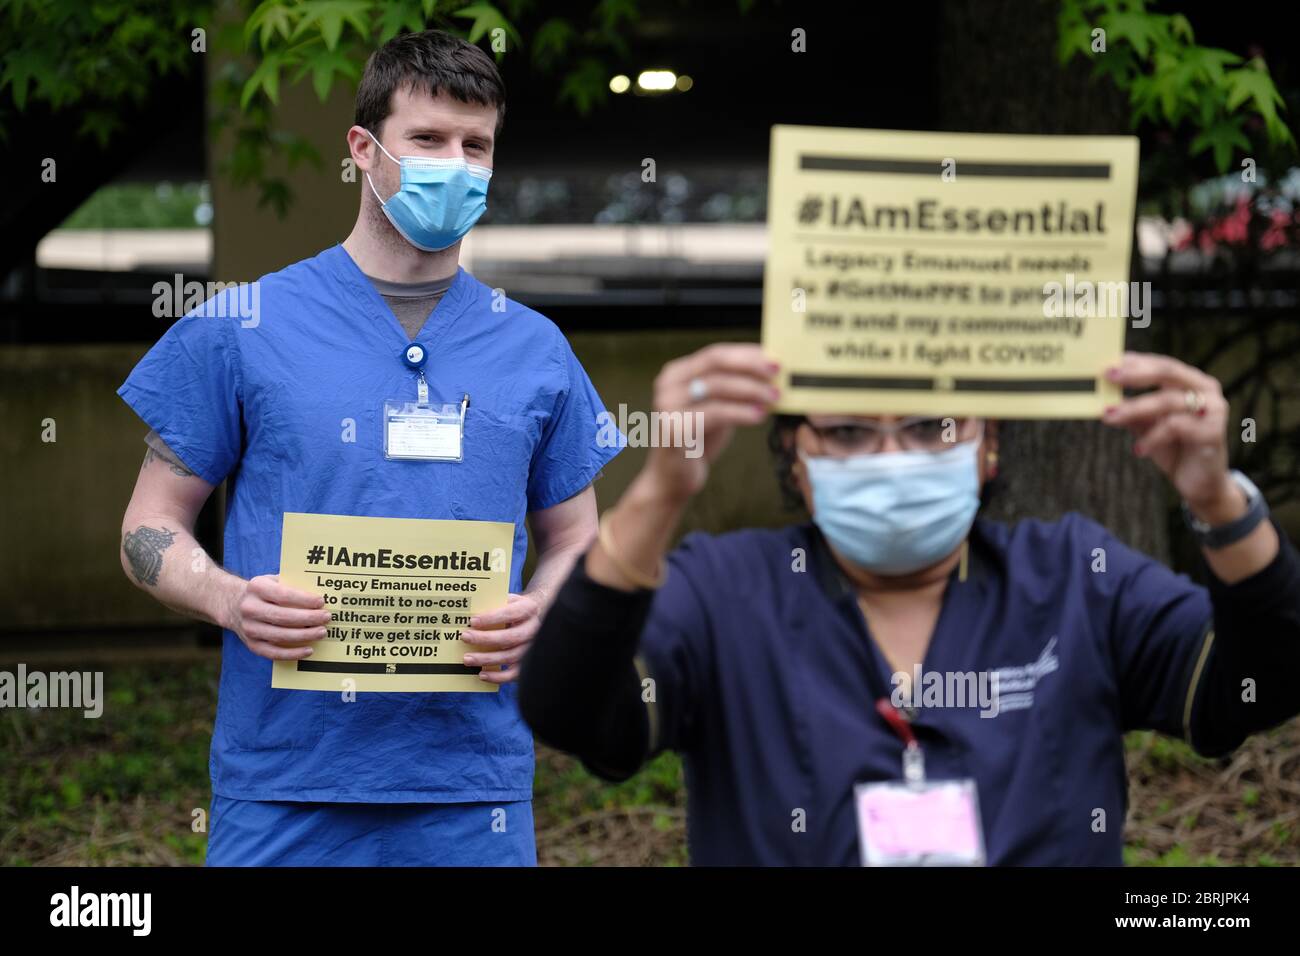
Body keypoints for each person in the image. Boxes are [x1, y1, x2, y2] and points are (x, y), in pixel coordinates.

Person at [117, 30, 620, 866]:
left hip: (472, 790)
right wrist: (228, 599)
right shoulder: (242, 328)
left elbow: (578, 540)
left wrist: (545, 610)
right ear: (364, 148)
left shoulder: (535, 348)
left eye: (476, 146)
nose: (454, 165)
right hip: (283, 782)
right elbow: (147, 527)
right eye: (427, 139)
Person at [519, 343, 1300, 865]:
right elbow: (570, 710)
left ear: (988, 442)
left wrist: (1219, 501)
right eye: (850, 433)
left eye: (932, 428)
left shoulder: (1074, 577)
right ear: (796, 452)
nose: (893, 462)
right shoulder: (726, 589)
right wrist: (659, 496)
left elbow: (1260, 684)